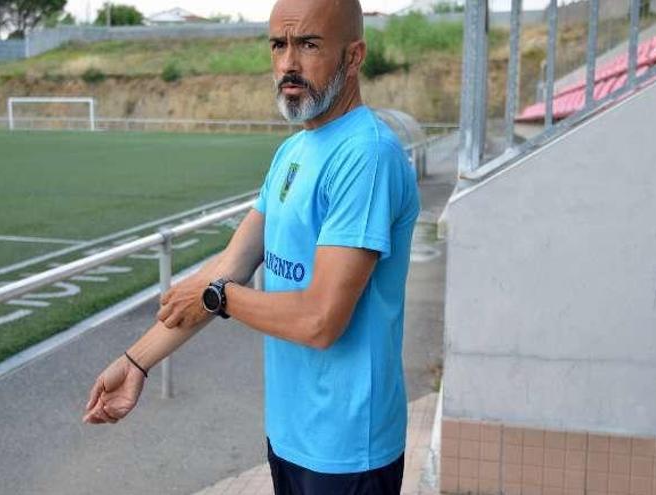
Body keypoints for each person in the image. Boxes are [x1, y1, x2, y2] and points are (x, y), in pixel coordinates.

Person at [83, 0, 420, 492]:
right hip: (290, 433)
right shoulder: (292, 151)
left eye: (308, 44)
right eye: (278, 45)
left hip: (348, 450)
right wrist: (136, 362)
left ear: (354, 56)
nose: (288, 63)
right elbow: (226, 269)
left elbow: (320, 320)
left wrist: (219, 298)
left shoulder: (366, 155)